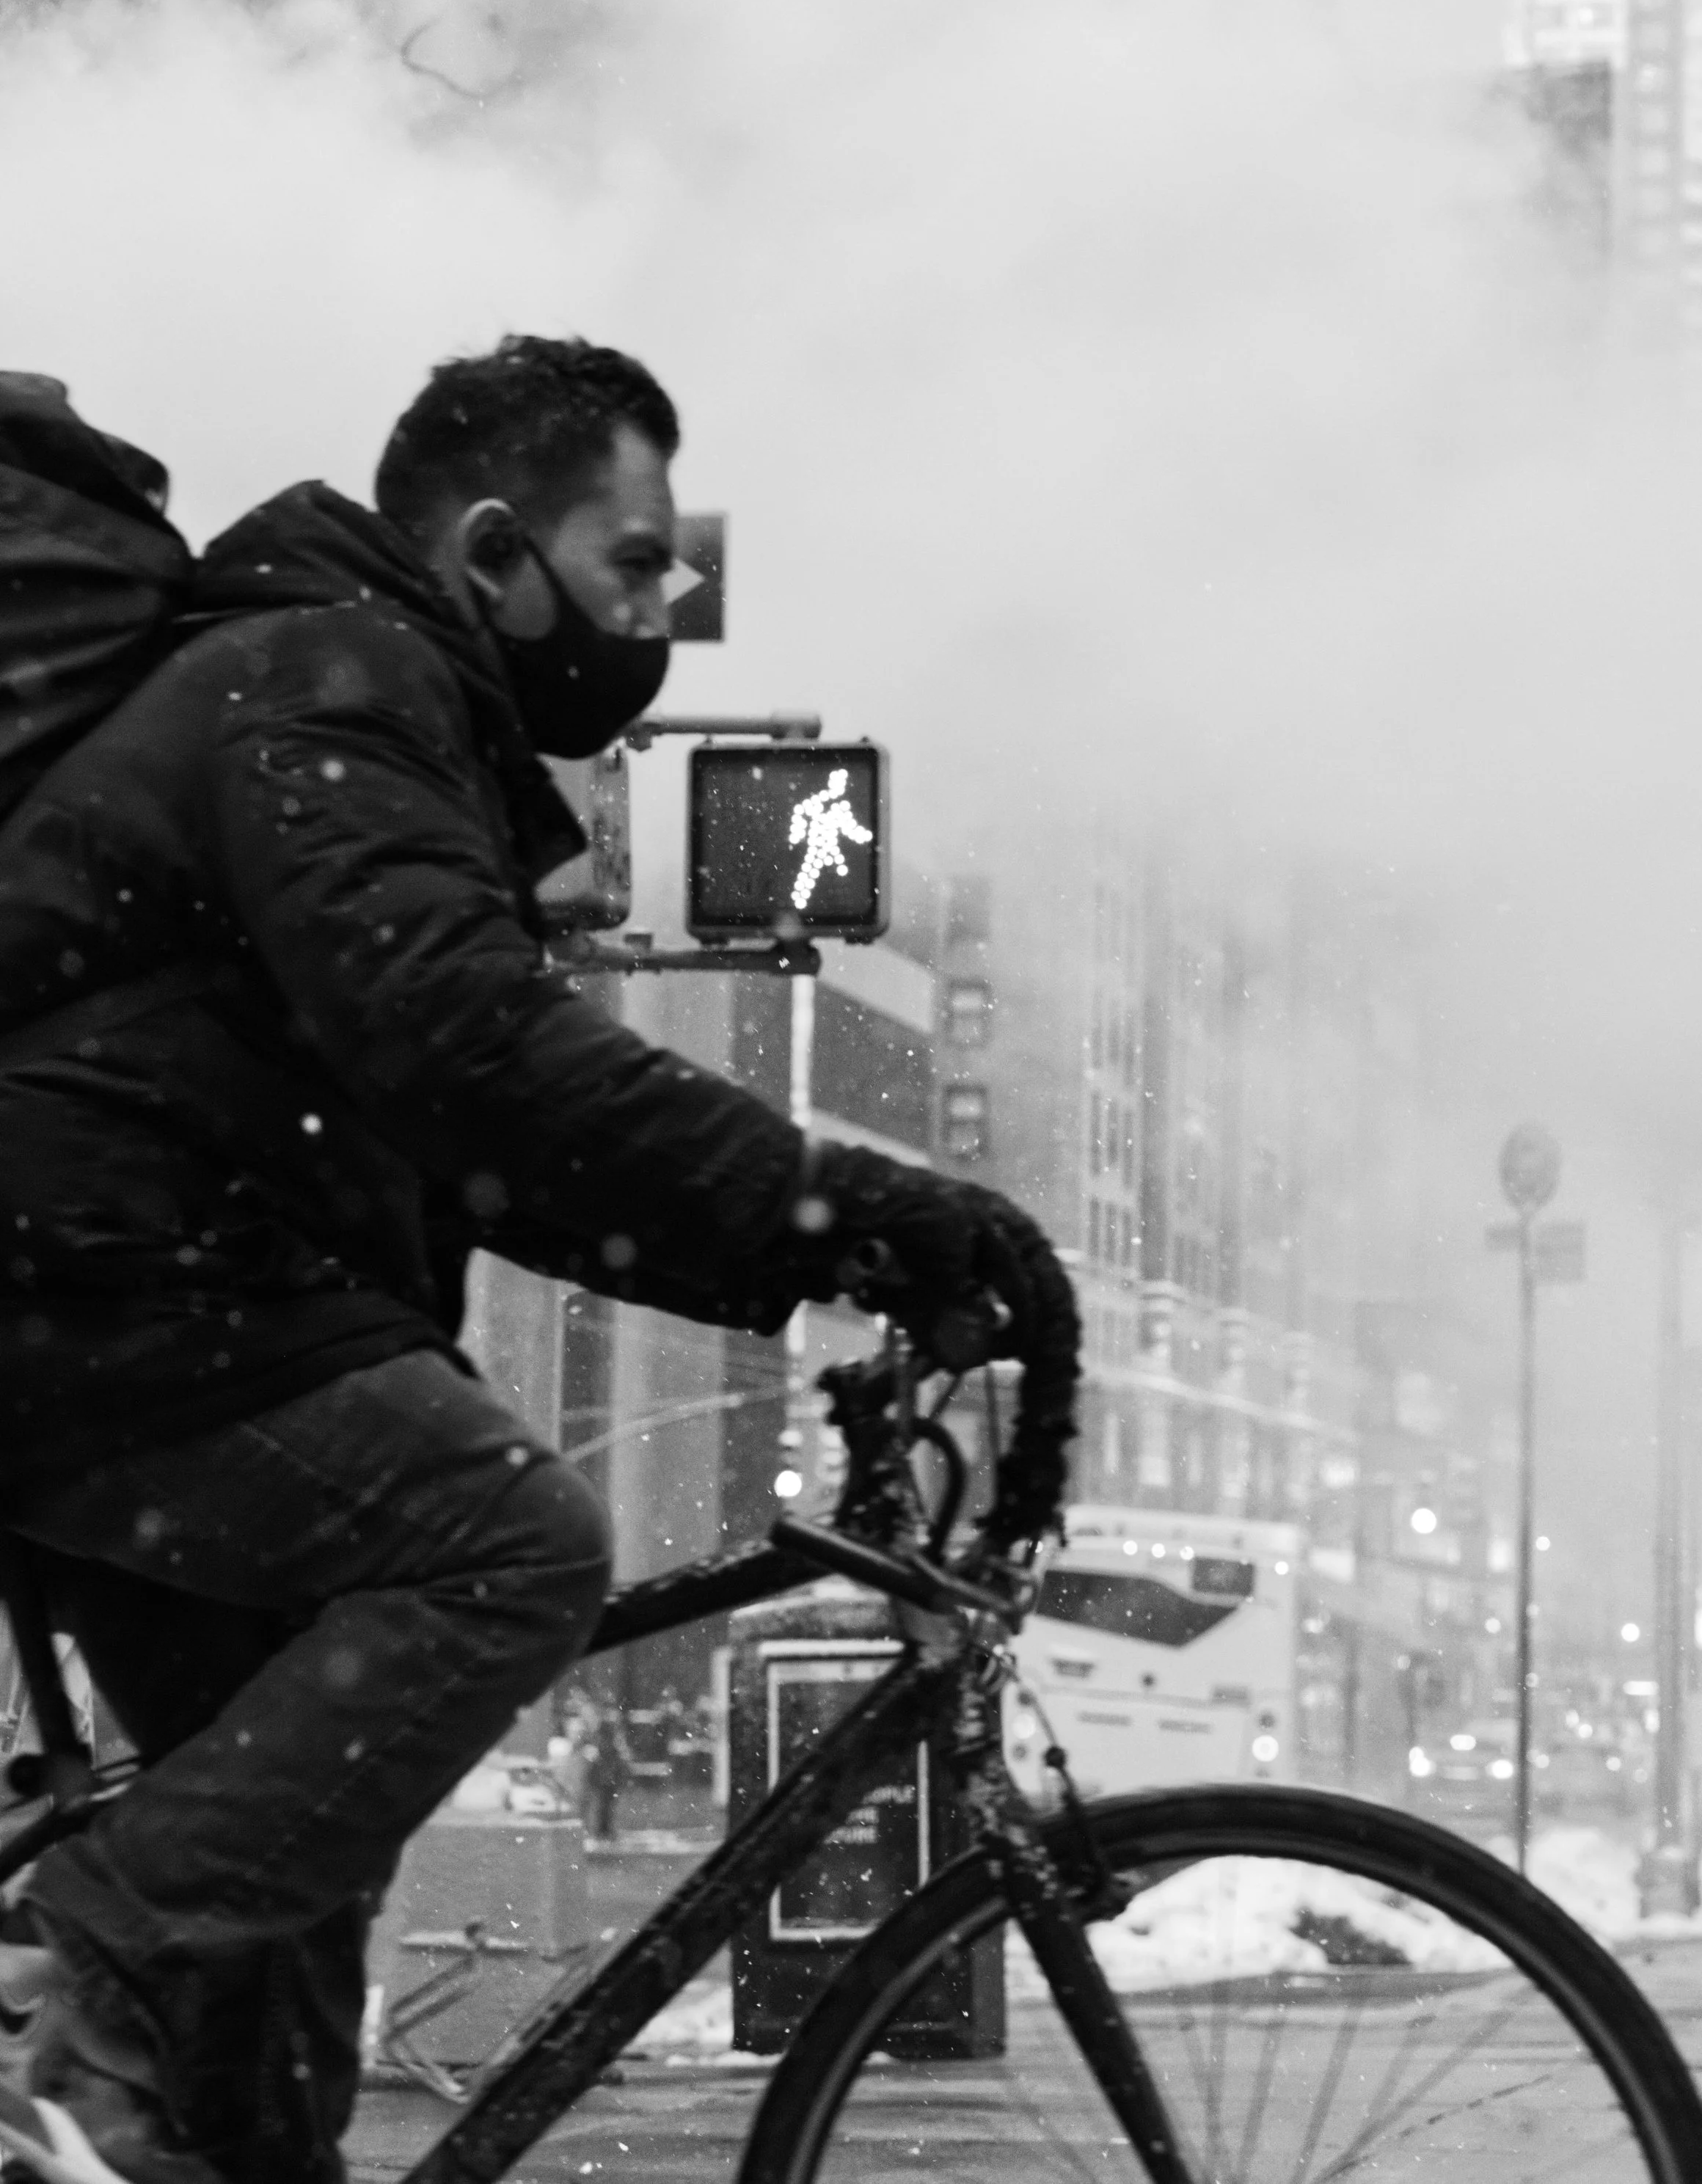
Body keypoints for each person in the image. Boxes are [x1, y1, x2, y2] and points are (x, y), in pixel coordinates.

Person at [0, 336, 1062, 2184]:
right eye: (637, 562)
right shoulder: (328, 680)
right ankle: (85, 1943)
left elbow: (504, 1160)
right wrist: (860, 1213)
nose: (662, 605)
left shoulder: (379, 716)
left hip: (152, 1303)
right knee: (509, 1546)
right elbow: (473, 1062)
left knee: (272, 1922)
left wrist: (825, 1253)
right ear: (495, 551)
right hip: (91, 1291)